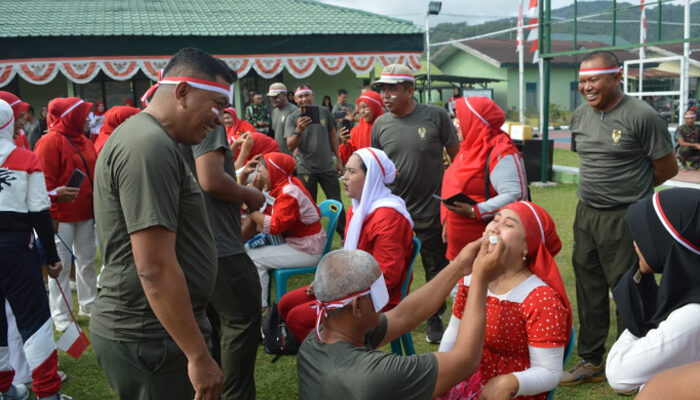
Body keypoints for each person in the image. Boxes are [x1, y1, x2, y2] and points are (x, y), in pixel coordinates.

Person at [90, 47, 231, 400]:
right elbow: (153, 267)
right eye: (215, 104)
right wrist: (198, 356)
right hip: (151, 337)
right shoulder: (148, 146)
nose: (219, 119)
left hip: (161, 331)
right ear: (182, 92)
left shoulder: (157, 141)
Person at [560, 50, 678, 386]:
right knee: (588, 285)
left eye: (594, 79)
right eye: (582, 80)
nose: (586, 86)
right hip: (586, 214)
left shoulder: (643, 116)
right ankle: (591, 360)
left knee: (630, 288)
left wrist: (633, 193)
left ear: (616, 77)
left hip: (627, 217)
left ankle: (637, 366)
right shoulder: (580, 116)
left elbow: (668, 168)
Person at [297, 238, 504, 400]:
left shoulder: (314, 341)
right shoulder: (373, 375)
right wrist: (480, 279)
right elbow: (465, 361)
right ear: (357, 305)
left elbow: (404, 315)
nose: (382, 301)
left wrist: (460, 266)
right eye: (378, 292)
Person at [438, 201, 571, 400]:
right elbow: (454, 331)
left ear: (527, 246)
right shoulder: (470, 280)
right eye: (495, 219)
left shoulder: (541, 299)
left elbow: (549, 372)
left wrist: (508, 382)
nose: (495, 227)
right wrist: (440, 371)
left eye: (509, 225)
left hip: (510, 392)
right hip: (464, 381)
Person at [278, 147, 413, 342]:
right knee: (285, 304)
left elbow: (387, 276)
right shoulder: (356, 210)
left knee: (298, 319)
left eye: (352, 171)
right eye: (345, 171)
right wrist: (327, 281)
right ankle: (329, 350)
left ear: (371, 177)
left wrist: (336, 286)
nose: (345, 177)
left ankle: (338, 359)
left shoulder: (389, 216)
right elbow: (348, 258)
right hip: (353, 287)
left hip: (374, 298)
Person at [371, 63, 460, 343]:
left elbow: (457, 159)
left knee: (436, 269)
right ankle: (394, 317)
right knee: (393, 268)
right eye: (382, 89)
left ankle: (434, 317)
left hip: (432, 209)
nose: (385, 95)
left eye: (393, 89)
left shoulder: (435, 116)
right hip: (395, 212)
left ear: (411, 90)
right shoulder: (380, 124)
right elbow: (376, 166)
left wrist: (453, 200)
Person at [191, 123, 266, 400]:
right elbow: (209, 180)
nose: (220, 107)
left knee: (210, 324)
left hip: (193, 247)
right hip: (220, 248)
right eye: (220, 99)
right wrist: (250, 195)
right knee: (241, 322)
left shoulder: (161, 128)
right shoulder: (205, 119)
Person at [0, 99, 66, 400]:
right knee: (35, 321)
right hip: (17, 251)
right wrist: (51, 258)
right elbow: (40, 211)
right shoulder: (25, 158)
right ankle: (47, 393)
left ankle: (4, 390)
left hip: (14, 247)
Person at [605, 188, 700, 394]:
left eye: (644, 237)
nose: (635, 244)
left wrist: (642, 313)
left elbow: (619, 374)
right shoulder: (686, 294)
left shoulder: (692, 315)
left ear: (666, 244)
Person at [34, 97, 98, 333]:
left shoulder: (84, 139)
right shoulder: (50, 141)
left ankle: (88, 304)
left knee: (87, 260)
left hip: (85, 213)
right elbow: (43, 182)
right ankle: (60, 314)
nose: (87, 118)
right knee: (60, 266)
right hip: (60, 217)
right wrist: (51, 214)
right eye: (82, 114)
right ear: (70, 116)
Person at [441, 97, 528, 264]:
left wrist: (476, 210)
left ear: (474, 120)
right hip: (459, 249)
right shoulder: (468, 148)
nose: (456, 124)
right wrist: (446, 218)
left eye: (460, 118)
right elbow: (452, 182)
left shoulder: (501, 152)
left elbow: (515, 194)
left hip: (487, 250)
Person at [243, 152, 327, 310]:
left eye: (261, 171)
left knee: (253, 257)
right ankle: (261, 302)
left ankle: (262, 307)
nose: (258, 176)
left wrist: (251, 207)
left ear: (274, 172)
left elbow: (275, 227)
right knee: (250, 248)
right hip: (303, 243)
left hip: (308, 249)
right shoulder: (285, 184)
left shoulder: (289, 193)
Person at [285, 82, 346, 236]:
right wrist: (299, 130)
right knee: (307, 207)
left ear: (313, 96)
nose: (304, 99)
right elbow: (290, 146)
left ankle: (345, 237)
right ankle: (313, 238)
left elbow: (333, 136)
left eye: (307, 95)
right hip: (306, 169)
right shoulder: (292, 118)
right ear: (295, 99)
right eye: (300, 97)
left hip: (327, 166)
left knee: (336, 203)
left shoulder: (325, 112)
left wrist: (338, 160)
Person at [338, 90, 383, 164]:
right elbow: (349, 158)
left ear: (375, 107)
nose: (362, 111)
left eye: (365, 107)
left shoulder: (385, 128)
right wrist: (345, 143)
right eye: (360, 108)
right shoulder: (356, 131)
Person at [267, 82, 296, 155]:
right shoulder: (274, 112)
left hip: (291, 155)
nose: (273, 99)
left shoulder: (293, 110)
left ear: (285, 95)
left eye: (276, 97)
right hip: (279, 154)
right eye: (271, 97)